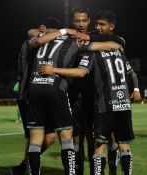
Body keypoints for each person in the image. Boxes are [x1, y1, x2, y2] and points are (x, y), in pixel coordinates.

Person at [39, 10, 140, 175]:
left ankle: (110, 170)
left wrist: (89, 41)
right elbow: (33, 34)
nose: (80, 24)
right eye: (77, 20)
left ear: (88, 21)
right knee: (78, 141)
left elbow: (117, 43)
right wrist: (46, 31)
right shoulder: (69, 38)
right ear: (72, 22)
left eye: (84, 20)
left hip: (96, 99)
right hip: (75, 98)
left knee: (100, 142)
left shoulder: (94, 41)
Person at [26, 17, 122, 175]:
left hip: (34, 88)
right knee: (66, 137)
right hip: (55, 87)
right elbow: (112, 46)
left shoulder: (39, 39)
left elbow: (31, 33)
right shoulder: (72, 41)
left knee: (35, 140)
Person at [10, 20, 58, 175]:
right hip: (28, 95)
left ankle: (25, 165)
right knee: (33, 136)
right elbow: (31, 32)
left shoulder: (51, 47)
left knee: (50, 138)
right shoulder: (31, 44)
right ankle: (28, 169)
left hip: (45, 96)